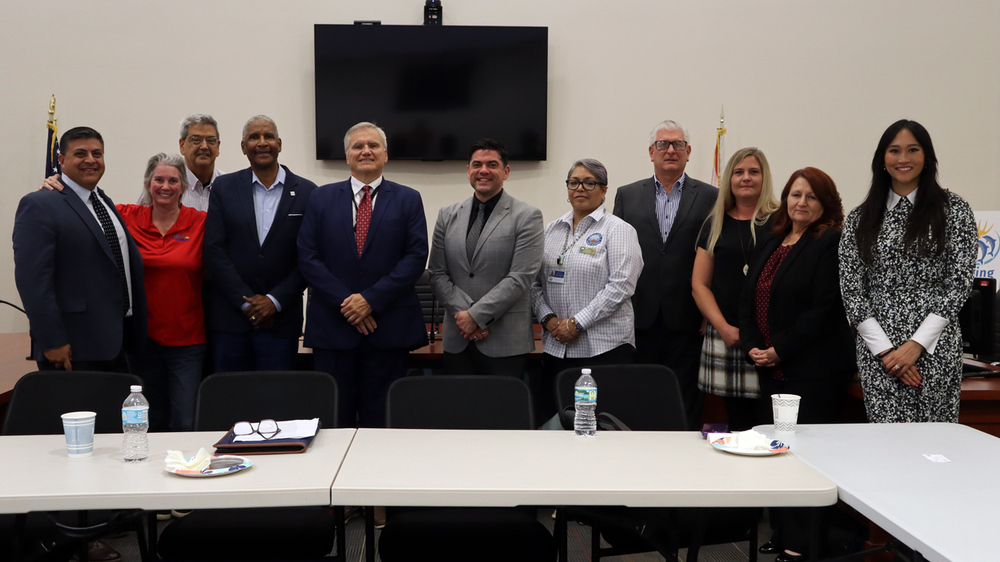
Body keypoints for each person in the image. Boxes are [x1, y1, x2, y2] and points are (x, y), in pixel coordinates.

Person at [39, 154, 207, 433]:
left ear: (184, 186)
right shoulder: (124, 216)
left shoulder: (201, 222)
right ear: (148, 183)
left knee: (185, 421)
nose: (165, 186)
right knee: (144, 421)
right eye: (159, 179)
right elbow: (80, 210)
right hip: (139, 339)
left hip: (187, 342)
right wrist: (56, 184)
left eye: (173, 180)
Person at [740, 167, 856, 562]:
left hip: (813, 369)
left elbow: (821, 308)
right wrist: (755, 347)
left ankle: (804, 543)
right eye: (795, 195)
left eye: (810, 196)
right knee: (778, 451)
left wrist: (779, 350)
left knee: (806, 459)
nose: (801, 203)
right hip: (770, 368)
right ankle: (782, 531)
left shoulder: (830, 242)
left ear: (824, 204)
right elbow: (748, 298)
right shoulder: (772, 239)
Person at [839, 119, 977, 423]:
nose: (903, 159)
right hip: (879, 350)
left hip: (935, 346)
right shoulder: (860, 218)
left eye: (913, 150)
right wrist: (888, 353)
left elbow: (959, 283)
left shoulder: (954, 210)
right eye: (895, 151)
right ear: (882, 160)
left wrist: (915, 346)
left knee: (936, 446)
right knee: (887, 448)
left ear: (926, 157)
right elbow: (851, 290)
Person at [298, 122, 428, 429]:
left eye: (373, 145)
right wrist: (350, 303)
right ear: (347, 156)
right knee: (333, 419)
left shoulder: (408, 198)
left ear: (386, 154)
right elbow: (308, 256)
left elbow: (415, 257)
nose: (365, 151)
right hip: (333, 327)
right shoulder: (320, 198)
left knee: (383, 419)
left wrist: (370, 300)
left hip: (388, 328)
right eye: (358, 146)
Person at [14, 126, 148, 373]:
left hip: (117, 342)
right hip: (73, 348)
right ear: (61, 160)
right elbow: (32, 281)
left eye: (97, 153)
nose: (90, 160)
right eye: (80, 153)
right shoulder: (39, 204)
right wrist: (52, 340)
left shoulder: (102, 201)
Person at [614, 120, 718, 429]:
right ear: (651, 152)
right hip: (639, 315)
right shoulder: (627, 195)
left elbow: (717, 257)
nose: (670, 150)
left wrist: (709, 312)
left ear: (688, 152)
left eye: (677, 145)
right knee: (640, 395)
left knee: (686, 396)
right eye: (663, 144)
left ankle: (685, 464)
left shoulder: (711, 196)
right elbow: (616, 252)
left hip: (688, 317)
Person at [530, 159, 642, 421]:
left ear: (603, 190)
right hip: (557, 347)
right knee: (555, 424)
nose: (580, 188)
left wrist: (576, 323)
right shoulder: (551, 230)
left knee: (603, 425)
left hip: (604, 349)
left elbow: (622, 285)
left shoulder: (619, 230)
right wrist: (549, 320)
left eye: (589, 182)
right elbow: (533, 284)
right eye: (574, 182)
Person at [203, 115, 316, 372]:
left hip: (281, 320)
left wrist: (274, 301)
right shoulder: (224, 187)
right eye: (254, 137)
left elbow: (309, 256)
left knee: (276, 403)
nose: (262, 143)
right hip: (231, 319)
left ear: (279, 143)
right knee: (230, 401)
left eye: (268, 136)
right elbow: (214, 249)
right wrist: (247, 303)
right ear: (244, 146)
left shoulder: (308, 192)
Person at [428, 138, 544, 378]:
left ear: (506, 171)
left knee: (501, 413)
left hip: (504, 342)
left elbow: (520, 277)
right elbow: (437, 273)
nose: (483, 170)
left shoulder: (527, 216)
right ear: (468, 171)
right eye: (477, 164)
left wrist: (477, 317)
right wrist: (467, 316)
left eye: (492, 164)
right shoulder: (447, 215)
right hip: (457, 339)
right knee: (458, 412)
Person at [691, 147, 779, 431]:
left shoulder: (781, 222)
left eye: (754, 172)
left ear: (764, 178)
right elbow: (699, 285)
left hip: (771, 340)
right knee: (738, 421)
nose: (746, 178)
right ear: (729, 179)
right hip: (727, 335)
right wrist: (724, 328)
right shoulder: (714, 223)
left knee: (771, 420)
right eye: (739, 172)